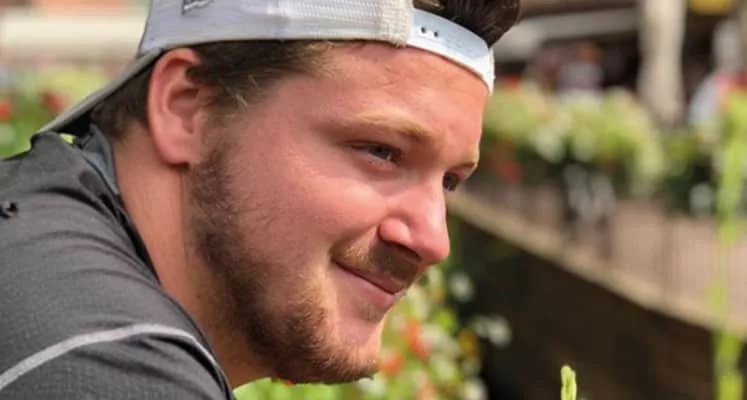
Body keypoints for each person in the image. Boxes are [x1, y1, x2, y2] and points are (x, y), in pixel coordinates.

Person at [0, 0, 519, 398]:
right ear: (187, 108)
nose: (433, 240)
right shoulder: (108, 368)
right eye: (381, 152)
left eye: (450, 181)